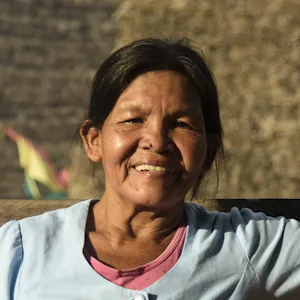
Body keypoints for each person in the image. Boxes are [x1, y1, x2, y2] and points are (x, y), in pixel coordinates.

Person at [0, 38, 299, 300]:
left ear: (208, 152)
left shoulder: (245, 245)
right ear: (94, 141)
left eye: (181, 124)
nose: (157, 141)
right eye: (133, 120)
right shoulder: (20, 252)